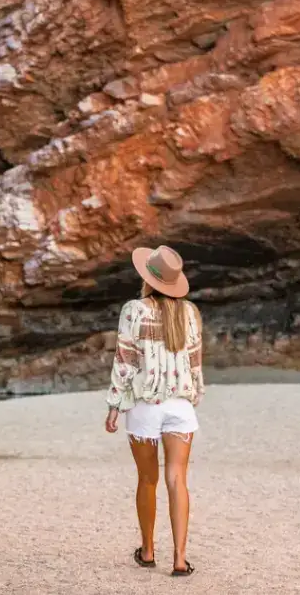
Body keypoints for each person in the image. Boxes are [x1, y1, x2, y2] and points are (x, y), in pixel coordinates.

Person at [104, 245, 205, 577]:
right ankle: (179, 559)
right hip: (180, 407)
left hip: (146, 407)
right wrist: (195, 396)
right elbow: (195, 362)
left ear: (148, 278)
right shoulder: (190, 313)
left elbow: (126, 361)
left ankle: (147, 552)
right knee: (178, 480)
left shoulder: (134, 310)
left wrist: (115, 406)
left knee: (147, 480)